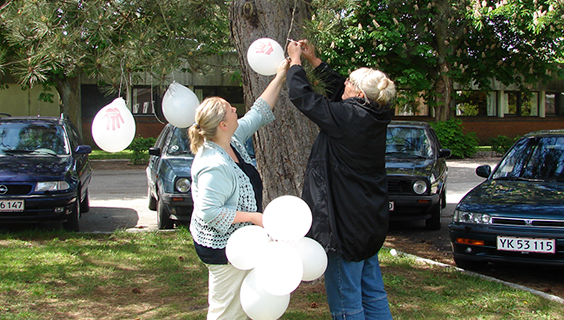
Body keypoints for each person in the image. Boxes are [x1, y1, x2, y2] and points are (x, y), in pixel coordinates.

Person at [286, 39, 396, 320]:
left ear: (358, 93)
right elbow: (338, 89)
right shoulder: (378, 113)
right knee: (373, 293)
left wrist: (296, 63)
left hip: (343, 225)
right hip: (367, 222)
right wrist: (314, 61)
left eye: (349, 81)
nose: (343, 83)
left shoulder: (348, 117)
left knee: (347, 301)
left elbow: (304, 98)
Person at [188, 59, 289, 320]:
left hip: (241, 241)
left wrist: (280, 75)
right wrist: (254, 218)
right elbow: (210, 213)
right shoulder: (213, 163)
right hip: (222, 246)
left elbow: (258, 112)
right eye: (230, 109)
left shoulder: (231, 140)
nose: (236, 109)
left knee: (243, 307)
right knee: (226, 311)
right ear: (222, 124)